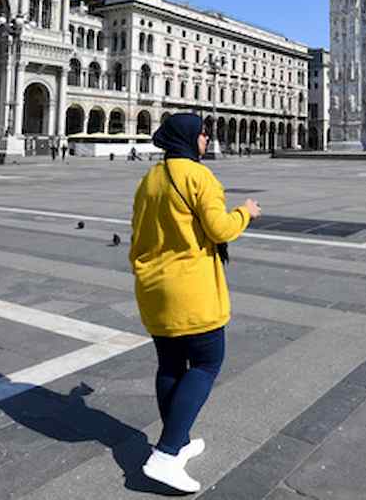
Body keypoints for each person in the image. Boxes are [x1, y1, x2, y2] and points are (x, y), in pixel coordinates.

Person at [130, 113, 261, 492]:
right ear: (189, 138)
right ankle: (166, 453)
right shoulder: (199, 176)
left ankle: (181, 439)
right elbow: (220, 230)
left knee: (170, 365)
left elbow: (137, 233)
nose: (206, 139)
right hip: (192, 291)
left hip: (154, 288)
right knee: (206, 363)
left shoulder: (150, 179)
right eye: (203, 134)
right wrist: (246, 212)